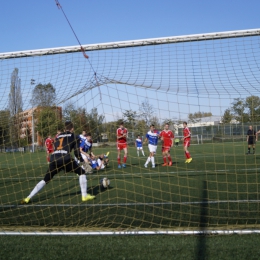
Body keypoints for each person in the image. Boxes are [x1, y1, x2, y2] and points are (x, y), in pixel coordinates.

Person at [21, 121, 95, 203]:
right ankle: (84, 196)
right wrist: (83, 163)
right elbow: (77, 153)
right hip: (65, 158)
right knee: (82, 172)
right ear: (72, 128)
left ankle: (28, 198)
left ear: (64, 128)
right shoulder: (75, 136)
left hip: (54, 158)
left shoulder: (58, 136)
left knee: (45, 179)